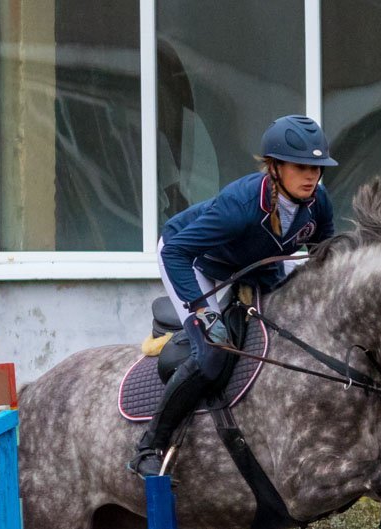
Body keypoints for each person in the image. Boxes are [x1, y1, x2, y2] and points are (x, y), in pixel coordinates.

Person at [129, 115, 338, 478]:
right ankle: (150, 446)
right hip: (195, 261)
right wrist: (202, 312)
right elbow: (175, 252)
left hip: (253, 264)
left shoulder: (318, 201)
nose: (312, 176)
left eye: (317, 168)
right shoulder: (240, 206)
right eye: (302, 166)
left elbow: (326, 257)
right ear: (275, 168)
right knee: (212, 354)